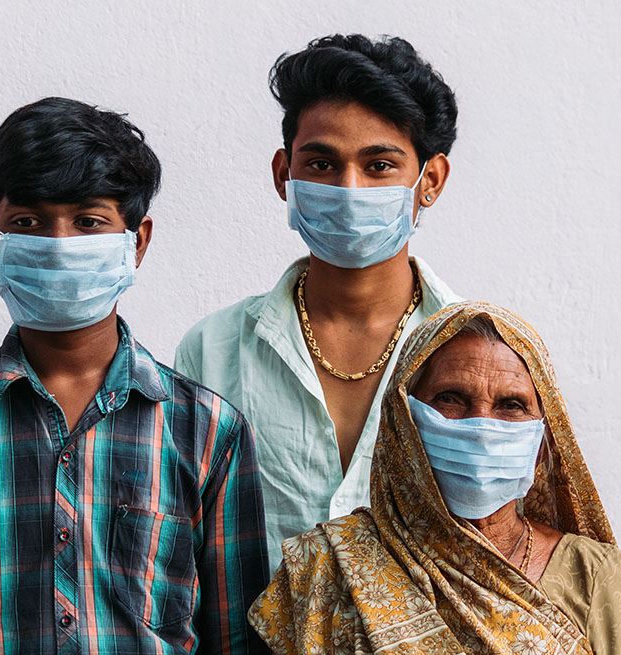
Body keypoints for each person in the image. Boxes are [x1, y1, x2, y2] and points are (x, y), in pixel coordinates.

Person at [0, 97, 270, 655]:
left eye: (88, 221)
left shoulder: (209, 431)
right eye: (29, 223)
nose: (60, 245)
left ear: (137, 240)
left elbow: (239, 651)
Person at [176, 34, 463, 571]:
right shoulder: (212, 353)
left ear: (431, 181)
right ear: (285, 174)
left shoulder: (476, 353)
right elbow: (184, 555)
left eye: (379, 165)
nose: (349, 187)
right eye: (322, 164)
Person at [249, 301, 621, 655]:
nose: (480, 425)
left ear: (543, 438)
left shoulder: (594, 573)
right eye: (451, 399)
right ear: (403, 421)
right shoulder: (329, 567)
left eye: (511, 405)